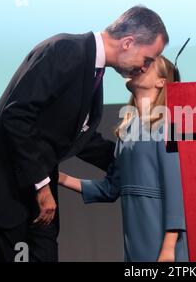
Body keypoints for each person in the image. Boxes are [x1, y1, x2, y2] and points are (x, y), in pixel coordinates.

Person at [0, 5, 169, 262]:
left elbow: (81, 139)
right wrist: (43, 186)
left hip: (33, 190)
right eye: (146, 59)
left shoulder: (92, 68)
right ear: (128, 42)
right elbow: (16, 117)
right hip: (2, 188)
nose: (145, 68)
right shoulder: (66, 50)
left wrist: (136, 160)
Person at [58, 56, 188, 262]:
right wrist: (58, 177)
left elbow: (176, 190)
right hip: (134, 237)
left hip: (161, 235)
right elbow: (110, 189)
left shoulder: (166, 125)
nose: (140, 66)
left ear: (161, 82)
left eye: (149, 65)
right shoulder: (126, 129)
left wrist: (169, 248)